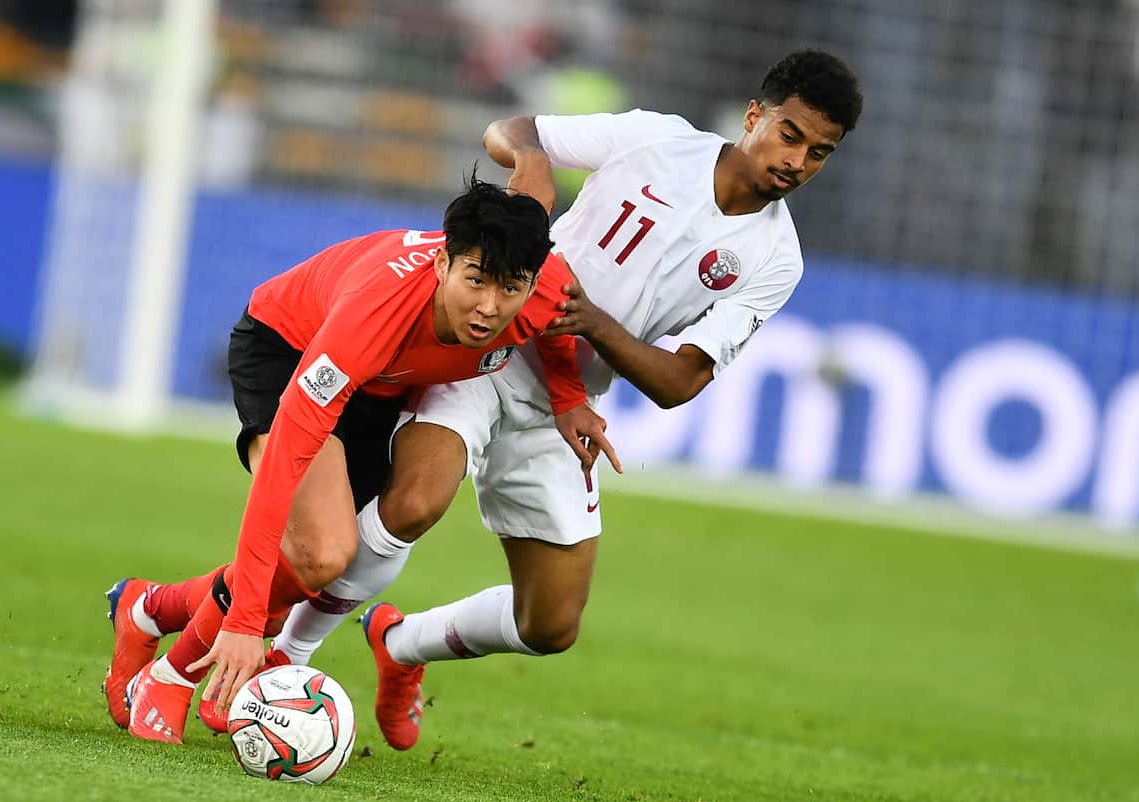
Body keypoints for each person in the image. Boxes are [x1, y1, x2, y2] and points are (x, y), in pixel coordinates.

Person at [267, 48, 864, 751]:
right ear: (755, 116)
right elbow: (512, 127)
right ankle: (286, 658)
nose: (797, 161)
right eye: (790, 135)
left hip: (569, 403)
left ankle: (399, 642)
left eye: (819, 153)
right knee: (417, 499)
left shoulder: (775, 258)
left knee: (550, 623)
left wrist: (595, 325)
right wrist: (531, 156)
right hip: (490, 349)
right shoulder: (656, 138)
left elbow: (679, 382)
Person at [105, 177, 619, 743]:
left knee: (320, 560)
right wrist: (247, 625)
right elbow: (280, 471)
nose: (490, 307)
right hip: (291, 352)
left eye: (510, 289)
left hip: (379, 391)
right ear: (443, 264)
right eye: (475, 281)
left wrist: (569, 399)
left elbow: (553, 319)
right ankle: (170, 677)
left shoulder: (540, 286)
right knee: (321, 551)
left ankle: (147, 609)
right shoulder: (374, 314)